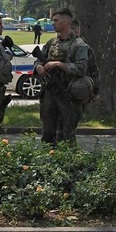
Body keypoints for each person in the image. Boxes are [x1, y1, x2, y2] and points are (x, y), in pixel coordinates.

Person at [33, 8, 89, 145]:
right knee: (48, 134)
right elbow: (38, 60)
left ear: (65, 22)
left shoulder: (79, 45)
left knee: (66, 136)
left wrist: (59, 65)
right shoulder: (52, 43)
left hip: (68, 94)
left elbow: (81, 68)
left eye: (56, 20)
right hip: (50, 93)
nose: (53, 23)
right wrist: (38, 67)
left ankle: (67, 164)